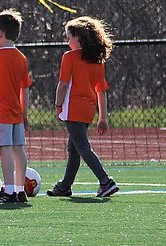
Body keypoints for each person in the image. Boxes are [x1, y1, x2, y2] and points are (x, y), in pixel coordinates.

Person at [48, 17, 119, 199]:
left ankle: (105, 181)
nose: (67, 41)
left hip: (73, 107)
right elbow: (101, 91)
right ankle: (65, 186)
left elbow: (63, 84)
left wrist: (58, 105)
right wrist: (102, 117)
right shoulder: (97, 60)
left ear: (78, 37)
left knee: (82, 147)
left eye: (68, 37)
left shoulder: (69, 57)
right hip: (88, 109)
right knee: (73, 148)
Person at [0, 9, 33, 203]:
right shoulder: (21, 58)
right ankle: (20, 190)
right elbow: (24, 89)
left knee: (5, 150)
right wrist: (25, 114)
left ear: (0, 33)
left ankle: (8, 190)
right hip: (17, 112)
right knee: (19, 150)